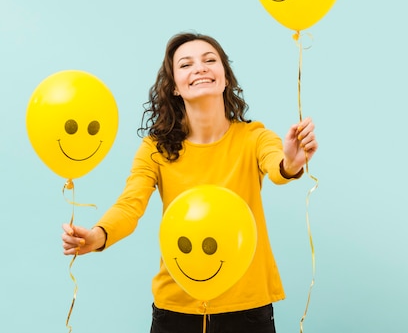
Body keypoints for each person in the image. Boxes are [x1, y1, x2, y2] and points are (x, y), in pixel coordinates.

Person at [61, 32, 318, 333]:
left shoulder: (254, 137)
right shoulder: (155, 149)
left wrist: (291, 163)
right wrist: (98, 235)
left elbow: (278, 166)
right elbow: (130, 205)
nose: (200, 67)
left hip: (247, 308)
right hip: (176, 309)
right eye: (186, 64)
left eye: (210, 60)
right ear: (173, 87)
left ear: (225, 79)